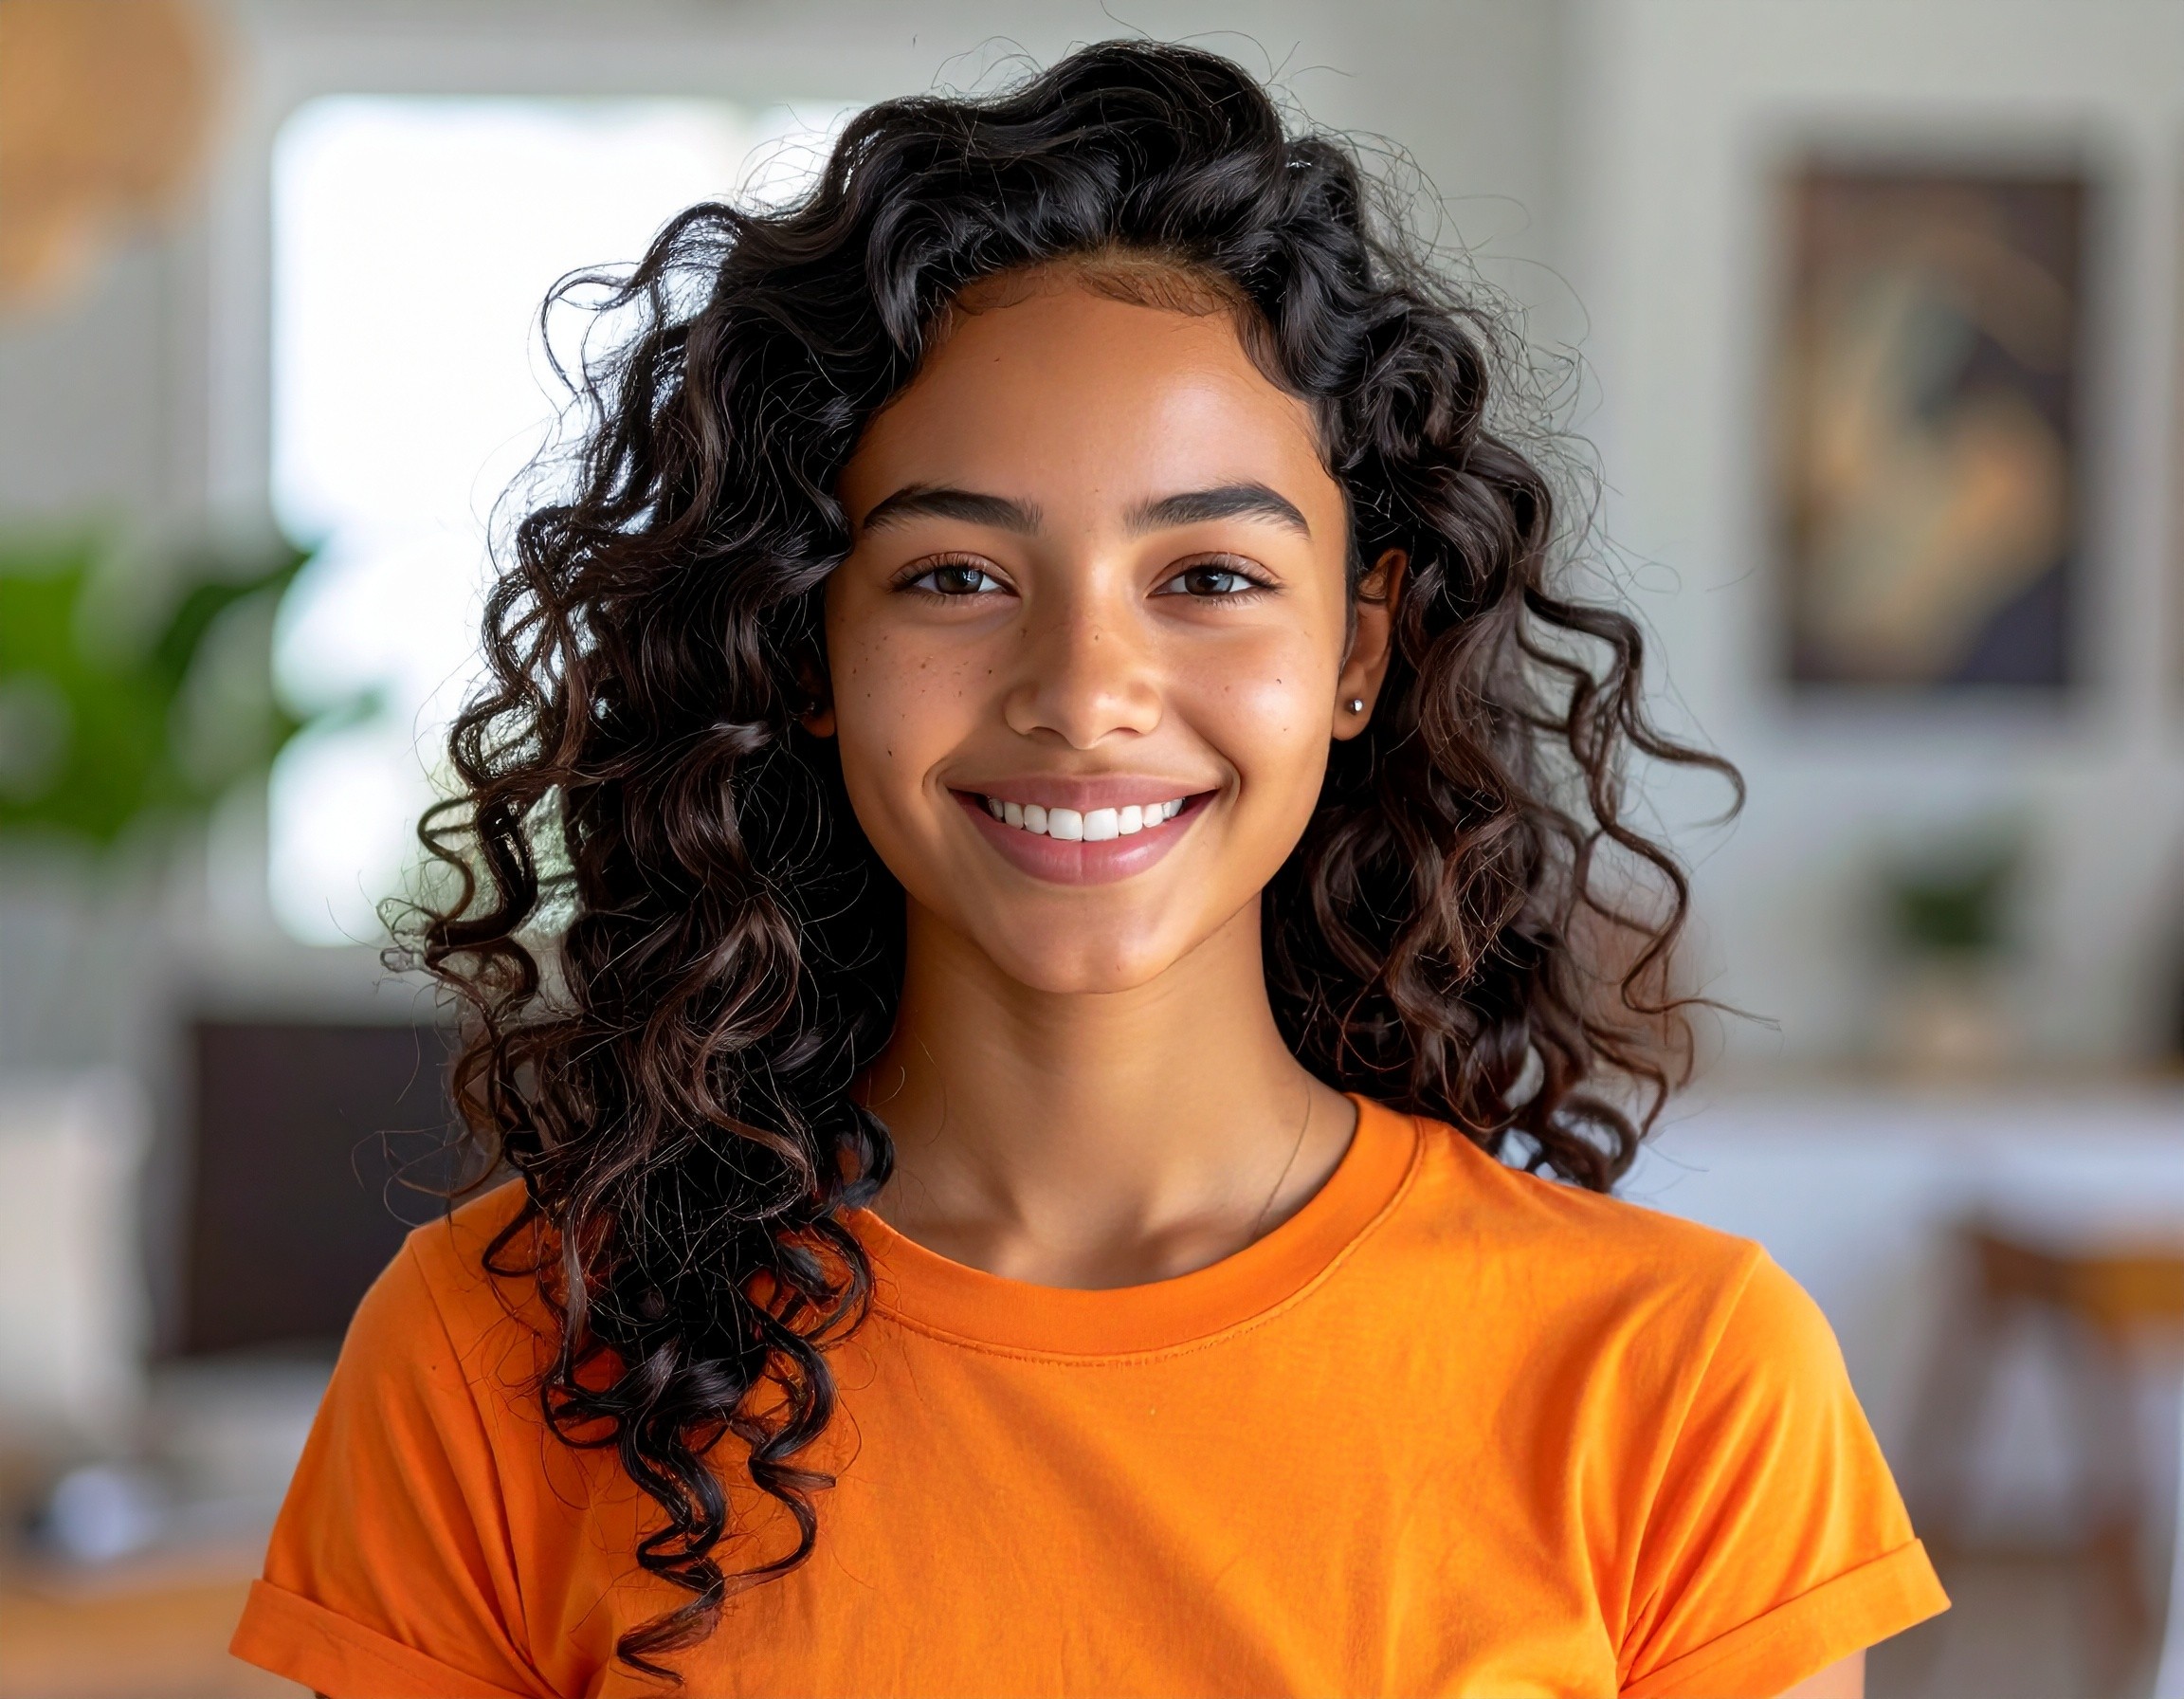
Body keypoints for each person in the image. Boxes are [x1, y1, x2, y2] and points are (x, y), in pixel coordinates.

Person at [231, 41, 1946, 1698]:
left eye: (1207, 575)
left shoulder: (1679, 1373)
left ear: (1362, 649)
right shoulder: (497, 1355)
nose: (1082, 693)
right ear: (805, 649)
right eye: (957, 577)